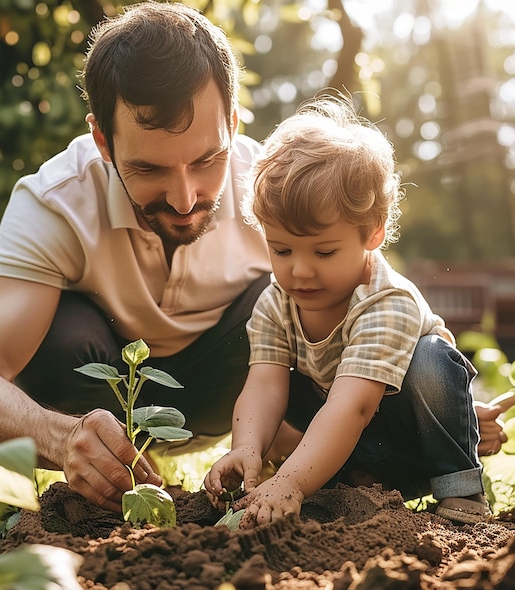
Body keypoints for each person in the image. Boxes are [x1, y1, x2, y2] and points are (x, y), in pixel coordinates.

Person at [0, 2, 505, 514]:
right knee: (60, 334)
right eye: (149, 169)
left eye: (207, 159)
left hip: (243, 386)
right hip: (108, 393)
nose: (186, 198)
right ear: (102, 140)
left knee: (280, 298)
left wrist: (431, 416)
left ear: (234, 123)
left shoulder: (280, 196)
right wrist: (61, 435)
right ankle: (108, 471)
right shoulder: (55, 202)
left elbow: (363, 315)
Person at [204, 96, 498, 527]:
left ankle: (460, 491)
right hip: (348, 449)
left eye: (324, 251)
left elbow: (353, 406)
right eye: (281, 249)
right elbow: (264, 384)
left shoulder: (386, 302)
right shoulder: (276, 302)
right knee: (285, 382)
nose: (300, 270)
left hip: (411, 443)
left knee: (431, 361)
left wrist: (292, 482)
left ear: (373, 233)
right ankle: (345, 485)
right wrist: (248, 447)